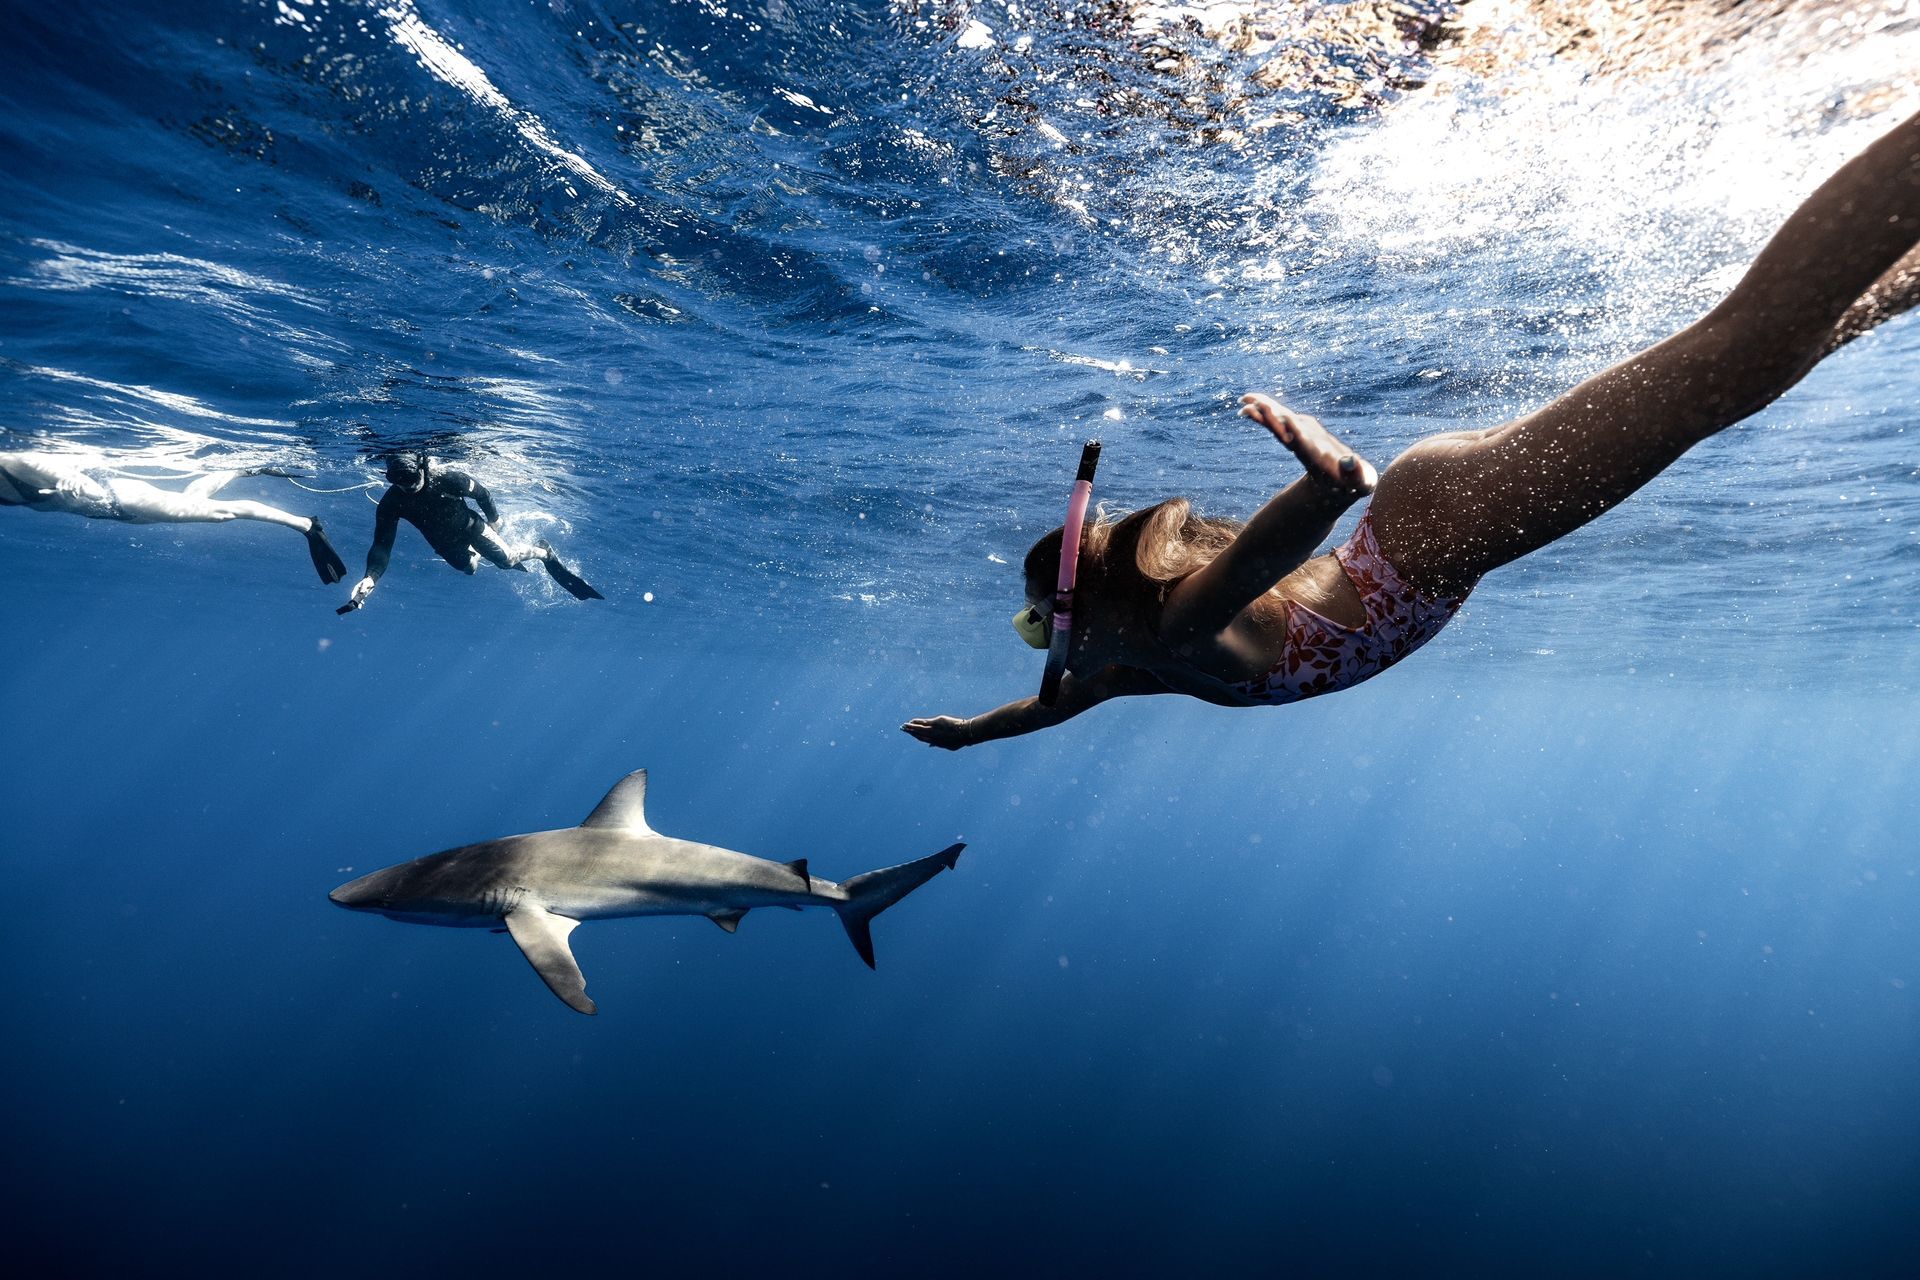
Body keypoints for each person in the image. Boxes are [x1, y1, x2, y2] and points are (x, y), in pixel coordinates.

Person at [904, 109, 1920, 749]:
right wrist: (966, 732)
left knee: (1726, 362)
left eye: (1039, 624)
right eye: (1034, 630)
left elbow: (1287, 533)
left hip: (1438, 529)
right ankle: (1900, 277)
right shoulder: (1139, 659)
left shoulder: (1177, 628)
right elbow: (1050, 706)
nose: (1037, 647)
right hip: (1437, 524)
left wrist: (1327, 474)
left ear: (1103, 614)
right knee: (1739, 376)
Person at [0, 450, 347, 583]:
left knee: (219, 515)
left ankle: (306, 525)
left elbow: (40, 464)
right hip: (121, 512)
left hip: (121, 499)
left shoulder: (12, 463)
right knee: (191, 499)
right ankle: (242, 469)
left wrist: (68, 481)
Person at [340, 451, 602, 612]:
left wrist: (494, 521)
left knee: (507, 561)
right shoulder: (391, 502)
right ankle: (478, 553)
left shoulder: (448, 478)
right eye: (399, 483)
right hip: (444, 543)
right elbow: (382, 545)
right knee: (470, 569)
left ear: (422, 467)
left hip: (472, 528)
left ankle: (543, 552)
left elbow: (483, 494)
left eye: (411, 480)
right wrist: (371, 578)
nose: (408, 488)